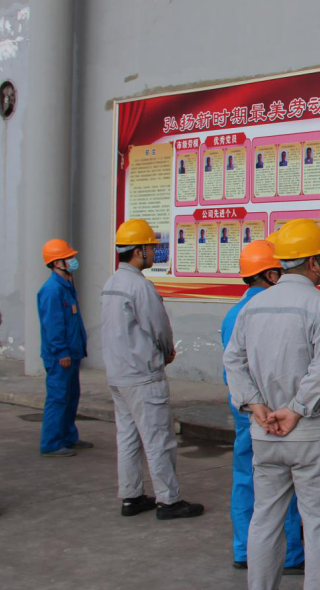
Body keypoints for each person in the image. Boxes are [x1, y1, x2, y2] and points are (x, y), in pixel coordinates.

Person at [223, 219, 320, 590]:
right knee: (318, 521)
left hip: (265, 431)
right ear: (314, 261)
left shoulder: (252, 306)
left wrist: (255, 404)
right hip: (309, 434)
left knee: (265, 517)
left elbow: (233, 361)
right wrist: (297, 410)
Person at [102, 219, 203, 519]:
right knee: (158, 438)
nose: (154, 251)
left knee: (128, 437)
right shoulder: (139, 286)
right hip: (142, 376)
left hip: (118, 374)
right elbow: (159, 327)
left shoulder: (111, 284)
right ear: (138, 251)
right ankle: (169, 501)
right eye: (150, 247)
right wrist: (167, 351)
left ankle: (131, 497)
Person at [221, 240, 305, 575]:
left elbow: (232, 366)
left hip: (245, 409)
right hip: (277, 413)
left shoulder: (234, 312)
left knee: (245, 477)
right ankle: (290, 554)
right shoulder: (278, 310)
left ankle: (244, 549)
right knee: (283, 483)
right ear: (271, 274)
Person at [37, 239, 90, 458]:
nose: (73, 260)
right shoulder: (52, 290)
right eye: (69, 258)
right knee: (58, 398)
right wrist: (61, 352)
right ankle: (51, 443)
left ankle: (68, 437)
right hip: (60, 356)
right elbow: (53, 325)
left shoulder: (66, 285)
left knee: (70, 397)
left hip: (71, 353)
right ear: (57, 263)